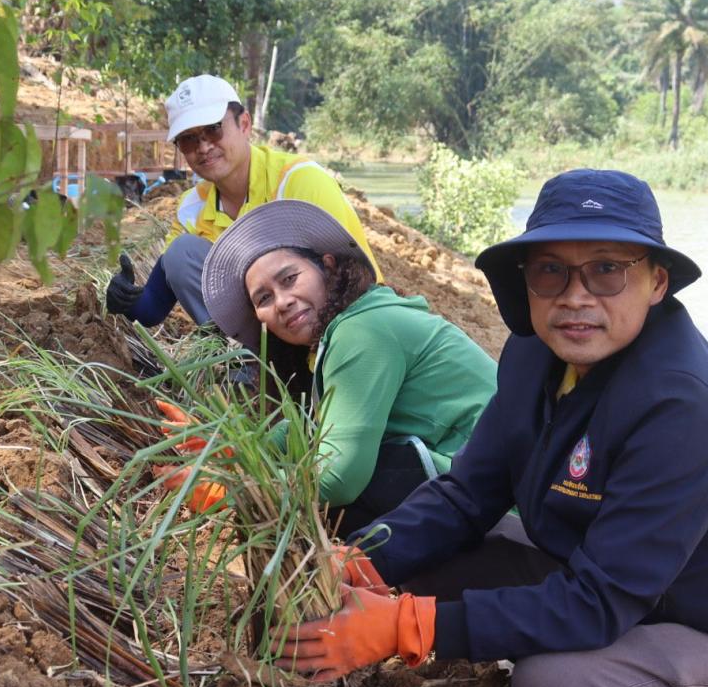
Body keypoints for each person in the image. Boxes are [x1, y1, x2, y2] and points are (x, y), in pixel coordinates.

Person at [276, 170, 708, 687]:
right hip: (621, 591)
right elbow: (466, 493)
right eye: (551, 272)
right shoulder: (537, 356)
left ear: (656, 282)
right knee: (444, 559)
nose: (576, 296)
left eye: (608, 270)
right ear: (526, 282)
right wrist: (361, 560)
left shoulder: (684, 407)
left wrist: (404, 627)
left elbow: (597, 603)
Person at [171, 199, 497, 535]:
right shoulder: (349, 327)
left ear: (327, 267)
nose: (282, 302)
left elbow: (338, 477)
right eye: (264, 298)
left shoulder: (362, 331)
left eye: (290, 279)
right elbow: (309, 428)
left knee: (343, 498)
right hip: (482, 491)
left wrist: (233, 492)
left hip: (501, 510)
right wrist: (230, 450)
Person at [104, 75, 378, 329]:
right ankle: (246, 360)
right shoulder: (191, 209)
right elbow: (152, 310)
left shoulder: (297, 181)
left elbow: (355, 280)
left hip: (340, 326)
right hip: (266, 342)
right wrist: (127, 301)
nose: (203, 147)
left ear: (244, 124)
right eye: (188, 139)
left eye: (213, 129)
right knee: (182, 252)